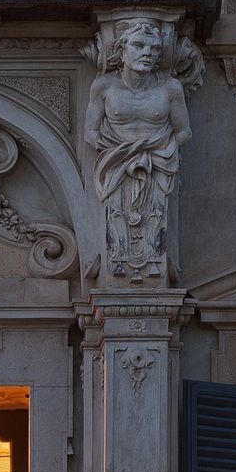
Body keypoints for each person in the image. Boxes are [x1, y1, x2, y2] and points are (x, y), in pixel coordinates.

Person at [84, 19, 191, 280]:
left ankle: (152, 263)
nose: (147, 53)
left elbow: (183, 131)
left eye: (154, 49)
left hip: (158, 160)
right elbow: (90, 131)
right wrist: (119, 151)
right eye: (139, 45)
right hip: (115, 160)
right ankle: (119, 262)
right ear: (122, 49)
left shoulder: (170, 88)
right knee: (118, 212)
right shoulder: (104, 87)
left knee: (154, 212)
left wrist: (159, 149)